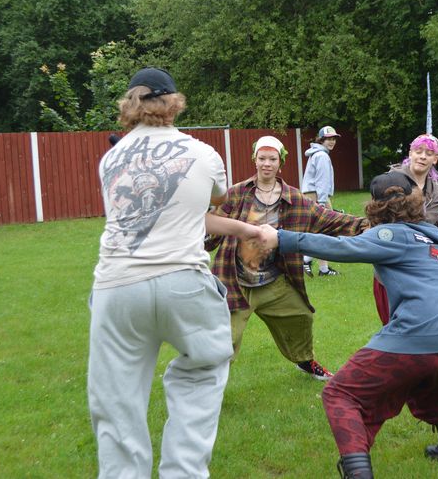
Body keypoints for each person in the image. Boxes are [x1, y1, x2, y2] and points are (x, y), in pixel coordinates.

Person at [260, 171, 438, 478]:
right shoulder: (431, 233)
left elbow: (343, 248)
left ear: (374, 206)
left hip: (421, 334)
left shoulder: (391, 234)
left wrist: (282, 238)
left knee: (341, 395)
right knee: (428, 377)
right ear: (415, 201)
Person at [87, 67, 266, 478]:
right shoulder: (204, 153)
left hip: (117, 288)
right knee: (203, 370)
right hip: (184, 282)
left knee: (116, 400)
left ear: (130, 105)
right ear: (174, 103)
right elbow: (217, 198)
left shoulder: (110, 159)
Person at [205, 135, 369, 380]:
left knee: (301, 317)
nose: (266, 164)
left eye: (272, 159)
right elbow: (213, 230)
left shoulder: (295, 199)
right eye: (262, 158)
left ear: (280, 163)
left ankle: (305, 361)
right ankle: (206, 385)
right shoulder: (236, 193)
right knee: (224, 341)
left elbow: (328, 218)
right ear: (255, 160)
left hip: (273, 282)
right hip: (235, 282)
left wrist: (365, 225)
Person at [373, 133, 438, 324]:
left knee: (420, 323)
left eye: (429, 153)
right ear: (410, 153)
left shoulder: (437, 192)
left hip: (420, 266)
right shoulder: (389, 180)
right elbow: (380, 218)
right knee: (392, 324)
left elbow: (428, 223)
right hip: (389, 261)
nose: (423, 156)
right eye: (418, 151)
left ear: (435, 159)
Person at [301, 125, 342, 277]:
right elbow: (321, 181)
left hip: (311, 194)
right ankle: (306, 259)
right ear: (321, 140)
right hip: (316, 195)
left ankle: (323, 269)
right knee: (324, 230)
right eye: (328, 139)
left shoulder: (316, 154)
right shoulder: (322, 156)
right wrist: (322, 203)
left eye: (334, 139)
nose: (332, 142)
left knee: (320, 230)